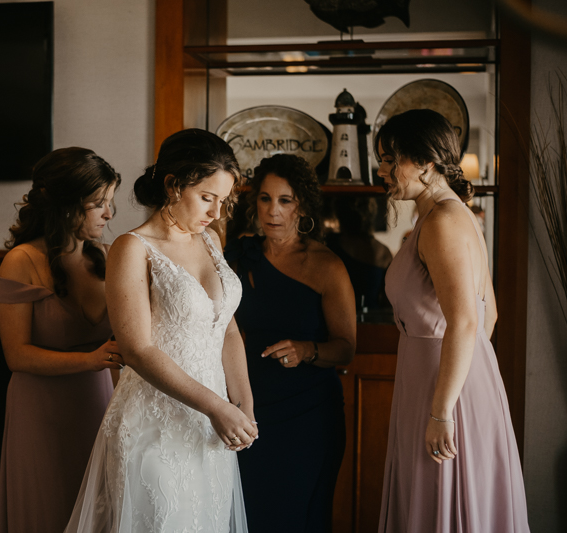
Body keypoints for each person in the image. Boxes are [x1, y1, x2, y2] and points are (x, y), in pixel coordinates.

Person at [65, 129, 256, 532]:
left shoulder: (211, 240)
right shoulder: (132, 249)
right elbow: (136, 349)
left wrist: (243, 405)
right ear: (173, 184)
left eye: (223, 200)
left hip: (210, 427)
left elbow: (228, 331)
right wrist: (217, 406)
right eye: (207, 198)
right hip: (155, 427)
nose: (217, 212)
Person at [375, 109, 529, 532]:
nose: (382, 168)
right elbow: (489, 315)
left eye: (391, 158)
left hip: (442, 388)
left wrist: (444, 408)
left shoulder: (442, 221)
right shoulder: (446, 213)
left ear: (425, 162)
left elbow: (465, 322)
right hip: (446, 378)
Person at [225, 154, 356, 532]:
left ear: (302, 204)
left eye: (285, 200)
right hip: (250, 407)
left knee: (301, 517)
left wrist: (307, 350)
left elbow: (346, 347)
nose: (273, 211)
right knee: (252, 514)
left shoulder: (326, 265)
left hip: (309, 416)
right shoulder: (239, 254)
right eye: (265, 199)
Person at [0, 147, 123, 533]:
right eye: (97, 204)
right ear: (65, 205)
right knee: (49, 512)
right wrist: (90, 361)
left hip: (99, 401)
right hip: (41, 410)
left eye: (110, 202)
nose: (109, 214)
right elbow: (16, 355)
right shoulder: (22, 260)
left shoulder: (110, 256)